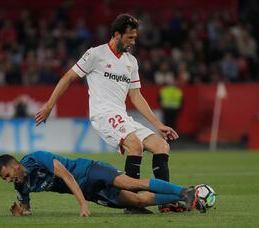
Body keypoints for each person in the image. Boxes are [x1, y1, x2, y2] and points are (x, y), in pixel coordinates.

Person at [35, 14, 179, 213]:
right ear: (117, 35)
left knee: (161, 146)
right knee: (135, 146)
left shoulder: (131, 62)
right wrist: (49, 106)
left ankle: (166, 201)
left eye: (135, 37)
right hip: (102, 114)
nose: (133, 41)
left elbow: (136, 96)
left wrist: (158, 124)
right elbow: (68, 77)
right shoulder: (95, 54)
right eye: (129, 37)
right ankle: (132, 204)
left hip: (122, 115)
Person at [0, 150, 206, 217]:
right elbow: (27, 209)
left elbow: (67, 176)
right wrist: (20, 211)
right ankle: (189, 199)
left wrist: (82, 205)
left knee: (133, 185)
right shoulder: (21, 186)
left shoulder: (36, 158)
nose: (8, 179)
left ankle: (184, 191)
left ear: (14, 165)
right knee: (136, 203)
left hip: (90, 171)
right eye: (5, 179)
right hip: (89, 191)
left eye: (7, 174)